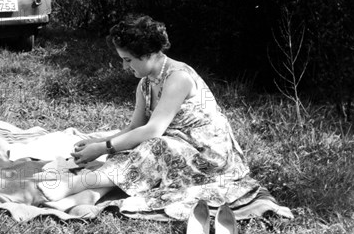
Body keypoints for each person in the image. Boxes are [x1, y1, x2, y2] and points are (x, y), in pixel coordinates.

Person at [38, 14, 258, 213]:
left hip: (209, 156)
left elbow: (153, 130)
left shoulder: (178, 77)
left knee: (154, 146)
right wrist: (99, 142)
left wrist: (101, 148)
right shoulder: (145, 84)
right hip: (179, 146)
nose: (124, 67)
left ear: (149, 55)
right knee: (128, 146)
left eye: (128, 60)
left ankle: (77, 184)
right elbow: (135, 128)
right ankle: (91, 195)